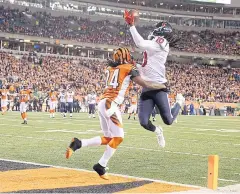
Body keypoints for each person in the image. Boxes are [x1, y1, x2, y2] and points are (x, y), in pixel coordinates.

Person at [65, 47, 166, 180]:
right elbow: (144, 83)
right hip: (110, 104)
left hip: (103, 103)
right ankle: (101, 165)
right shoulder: (128, 68)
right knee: (118, 137)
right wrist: (160, 86)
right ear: (125, 57)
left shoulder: (110, 68)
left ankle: (78, 143)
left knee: (108, 138)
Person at [124, 10, 185, 147]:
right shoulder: (155, 43)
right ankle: (158, 131)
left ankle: (179, 102)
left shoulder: (161, 42)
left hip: (158, 87)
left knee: (168, 120)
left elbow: (140, 43)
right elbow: (147, 65)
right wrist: (135, 65)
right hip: (147, 86)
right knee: (143, 122)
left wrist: (131, 26)